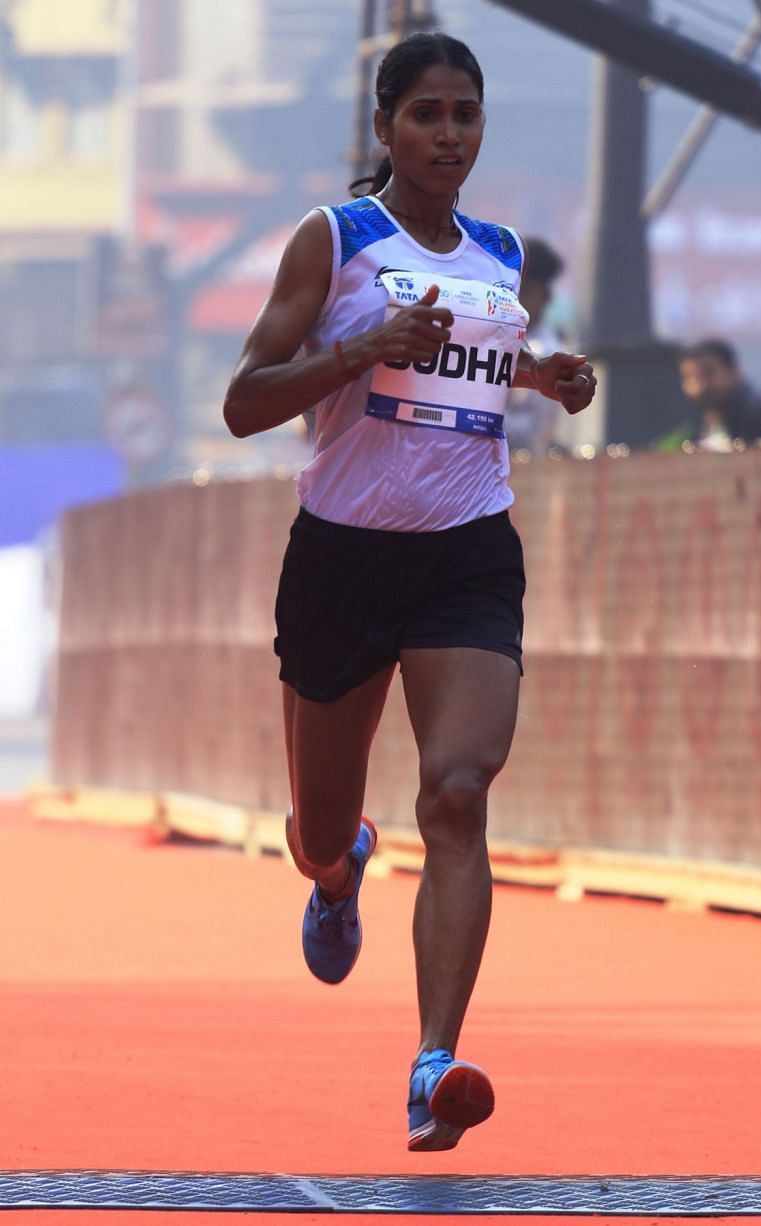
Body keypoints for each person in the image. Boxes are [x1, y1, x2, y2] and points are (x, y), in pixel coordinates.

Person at [223, 31, 596, 1152]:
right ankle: (338, 873)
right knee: (318, 825)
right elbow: (245, 401)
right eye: (426, 114)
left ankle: (433, 1061)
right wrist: (357, 349)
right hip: (342, 555)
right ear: (384, 126)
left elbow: (476, 364)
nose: (448, 136)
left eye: (465, 116)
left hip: (464, 551)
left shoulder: (497, 250)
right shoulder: (332, 240)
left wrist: (547, 375)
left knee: (461, 791)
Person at [504, 238, 567, 454]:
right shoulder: (500, 337)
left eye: (527, 291)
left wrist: (473, 418)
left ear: (546, 297)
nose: (517, 299)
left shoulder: (547, 354)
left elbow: (532, 436)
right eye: (513, 290)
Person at [678, 338, 761, 450]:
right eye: (690, 377)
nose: (699, 385)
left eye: (708, 373)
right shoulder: (691, 429)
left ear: (734, 371)